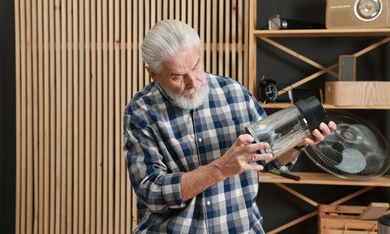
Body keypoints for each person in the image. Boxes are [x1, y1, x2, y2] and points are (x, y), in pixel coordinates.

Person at [123, 19, 336, 233]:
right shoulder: (141, 111)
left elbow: (270, 160)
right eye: (178, 76)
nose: (193, 82)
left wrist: (295, 144)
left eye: (196, 66)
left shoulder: (233, 92)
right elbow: (152, 191)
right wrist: (219, 169)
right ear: (153, 74)